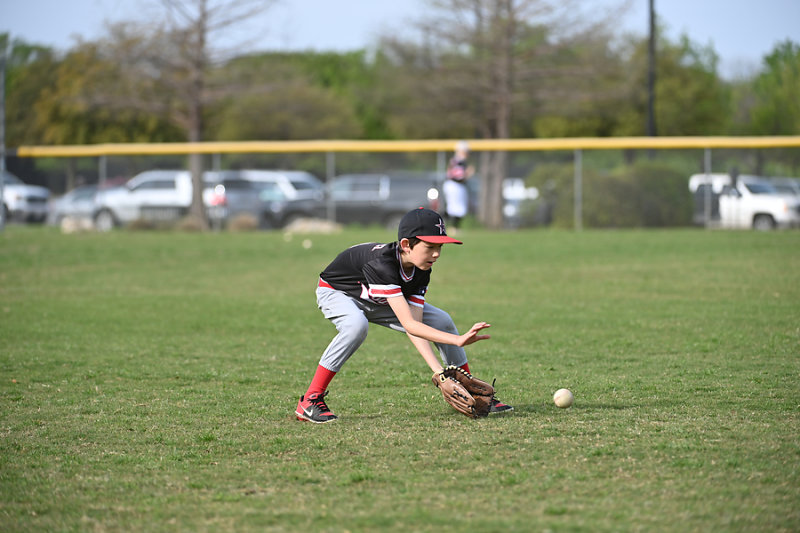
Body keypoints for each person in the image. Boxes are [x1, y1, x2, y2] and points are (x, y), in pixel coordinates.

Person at [295, 207, 513, 423]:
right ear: (406, 245)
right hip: (338, 292)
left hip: (377, 297)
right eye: (430, 247)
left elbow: (415, 325)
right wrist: (457, 341)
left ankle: (472, 393)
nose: (436, 254)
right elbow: (410, 325)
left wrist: (439, 373)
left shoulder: (422, 268)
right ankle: (310, 399)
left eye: (440, 247)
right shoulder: (382, 264)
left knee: (441, 320)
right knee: (356, 325)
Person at [443, 140, 474, 230]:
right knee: (456, 208)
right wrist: (468, 173)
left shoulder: (457, 160)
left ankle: (453, 227)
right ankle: (453, 227)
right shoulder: (459, 161)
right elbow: (459, 177)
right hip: (455, 185)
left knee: (456, 208)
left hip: (454, 185)